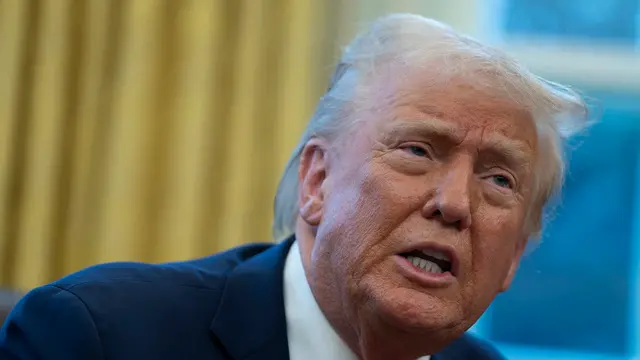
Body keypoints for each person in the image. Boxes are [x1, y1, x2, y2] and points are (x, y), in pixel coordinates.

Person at [0, 14, 591, 360]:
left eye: (498, 179)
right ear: (317, 180)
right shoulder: (98, 337)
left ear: (515, 255)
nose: (456, 203)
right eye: (417, 150)